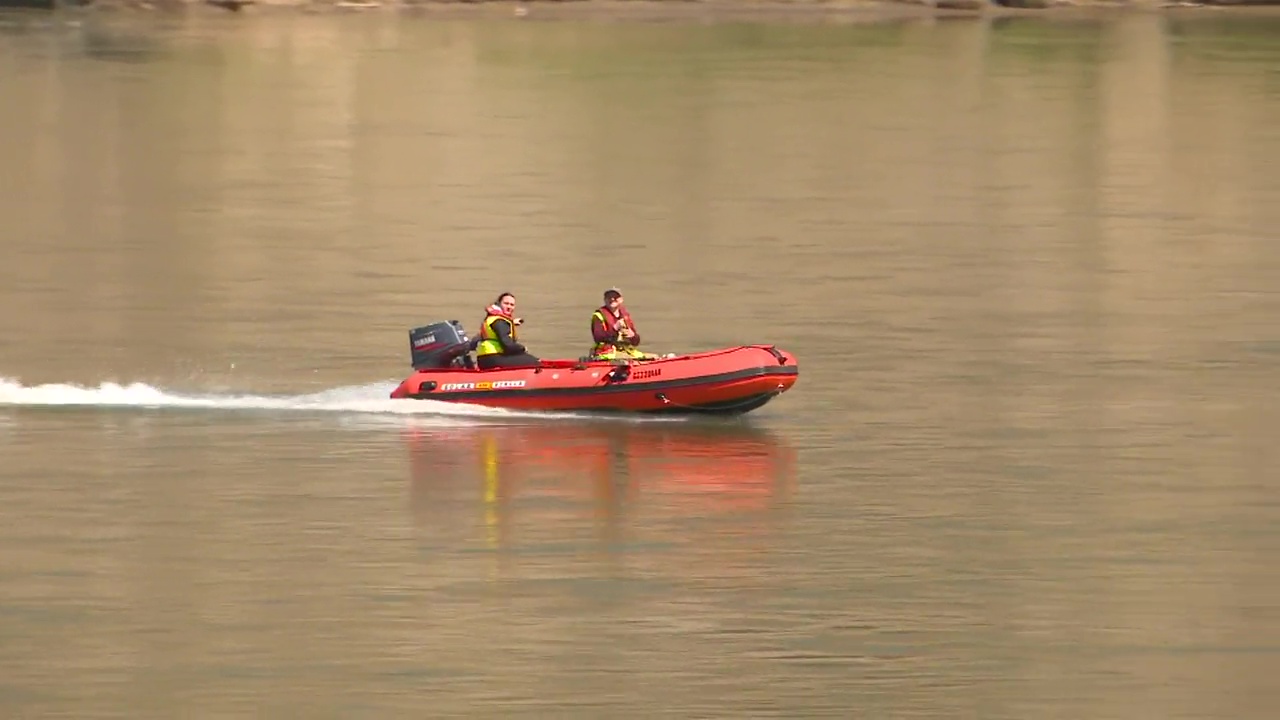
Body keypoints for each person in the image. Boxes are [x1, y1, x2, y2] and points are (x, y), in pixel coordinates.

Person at [588, 288, 663, 361]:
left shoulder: (625, 316)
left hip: (625, 351)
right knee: (628, 360)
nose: (612, 299)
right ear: (605, 300)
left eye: (615, 297)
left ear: (621, 300)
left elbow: (636, 342)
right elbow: (598, 338)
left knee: (654, 357)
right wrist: (614, 329)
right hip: (606, 353)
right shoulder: (598, 316)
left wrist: (633, 336)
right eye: (609, 297)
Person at [475, 292, 540, 370]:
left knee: (525, 357)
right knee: (535, 362)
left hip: (484, 358)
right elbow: (508, 346)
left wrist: (512, 323)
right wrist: (522, 348)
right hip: (493, 358)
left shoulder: (493, 318)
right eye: (506, 303)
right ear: (499, 304)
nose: (509, 307)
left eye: (512, 305)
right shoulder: (499, 321)